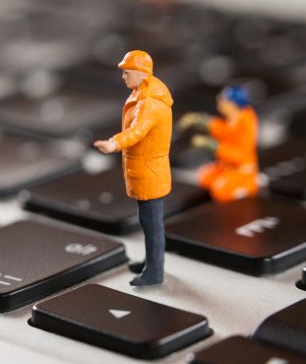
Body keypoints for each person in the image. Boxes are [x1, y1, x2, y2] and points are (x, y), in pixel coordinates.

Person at [94, 50, 173, 286]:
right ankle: (151, 263)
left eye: (127, 73)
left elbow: (136, 132)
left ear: (141, 74)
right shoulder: (143, 93)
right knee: (148, 224)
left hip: (150, 172)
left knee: (152, 226)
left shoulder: (149, 104)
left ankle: (155, 271)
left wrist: (114, 143)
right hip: (146, 170)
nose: (123, 77)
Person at [179, 85, 259, 202]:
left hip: (241, 170)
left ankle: (243, 193)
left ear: (233, 105)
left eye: (224, 101)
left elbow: (240, 155)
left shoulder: (245, 124)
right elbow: (222, 129)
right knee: (204, 177)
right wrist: (199, 120)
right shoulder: (233, 120)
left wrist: (211, 145)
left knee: (220, 190)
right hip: (226, 165)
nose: (220, 104)